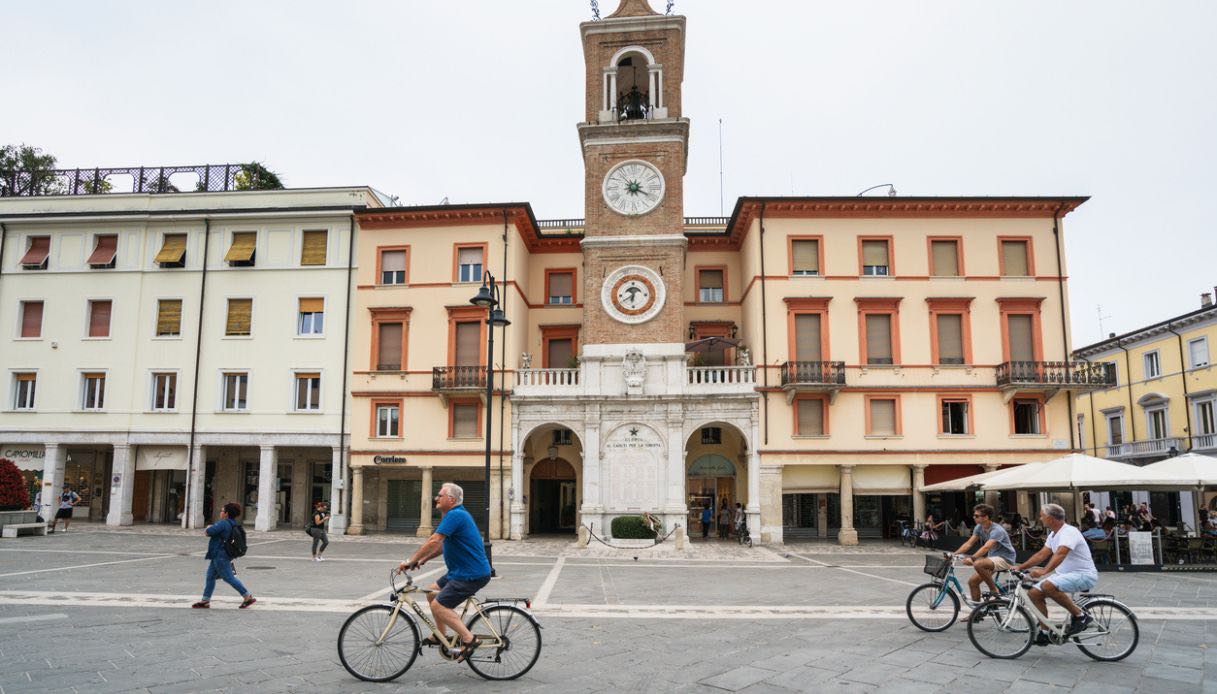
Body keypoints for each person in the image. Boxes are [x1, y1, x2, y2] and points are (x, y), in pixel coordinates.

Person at [399, 482, 492, 662]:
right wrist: (423, 559)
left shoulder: (456, 515)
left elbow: (435, 540)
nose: (436, 498)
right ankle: (440, 635)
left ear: (451, 499)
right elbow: (443, 545)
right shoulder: (454, 515)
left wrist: (411, 560)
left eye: (440, 495)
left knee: (439, 606)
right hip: (458, 571)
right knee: (432, 593)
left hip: (470, 574)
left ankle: (469, 638)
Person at [1013, 503, 1097, 643]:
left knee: (1047, 586)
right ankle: (1045, 633)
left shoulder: (1069, 532)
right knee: (1034, 593)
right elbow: (1041, 555)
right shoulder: (1053, 534)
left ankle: (1080, 616)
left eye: (1042, 516)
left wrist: (1044, 571)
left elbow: (1061, 554)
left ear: (1051, 518)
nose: (1040, 518)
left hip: (1083, 575)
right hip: (1065, 575)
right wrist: (1020, 567)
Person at [192, 502, 255, 609]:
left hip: (220, 555)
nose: (220, 512)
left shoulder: (223, 523)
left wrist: (208, 527)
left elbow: (208, 532)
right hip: (223, 554)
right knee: (210, 576)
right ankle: (205, 600)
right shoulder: (232, 523)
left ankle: (247, 596)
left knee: (228, 577)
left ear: (226, 513)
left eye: (222, 510)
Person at [952, 504, 1018, 603]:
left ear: (986, 517)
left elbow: (986, 547)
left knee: (978, 564)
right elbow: (969, 544)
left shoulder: (997, 530)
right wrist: (954, 554)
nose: (974, 517)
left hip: (1005, 559)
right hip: (992, 559)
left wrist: (973, 558)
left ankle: (994, 590)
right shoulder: (979, 527)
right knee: (973, 582)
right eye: (974, 515)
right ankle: (977, 612)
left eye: (977, 516)